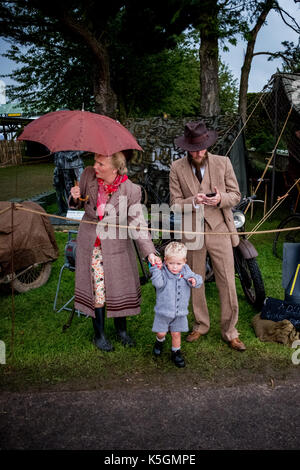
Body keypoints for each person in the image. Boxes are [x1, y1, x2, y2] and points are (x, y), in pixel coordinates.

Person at [69, 151, 160, 352]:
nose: (95, 166)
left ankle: (122, 332)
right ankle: (99, 335)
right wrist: (75, 197)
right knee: (98, 290)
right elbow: (79, 201)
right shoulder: (86, 176)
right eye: (95, 161)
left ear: (115, 168)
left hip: (117, 246)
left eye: (101, 164)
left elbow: (137, 223)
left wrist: (150, 253)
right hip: (92, 244)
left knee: (119, 286)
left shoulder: (131, 190)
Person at [169, 120, 246, 351]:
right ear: (186, 148)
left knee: (227, 281)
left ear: (207, 144)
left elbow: (236, 195)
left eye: (201, 148)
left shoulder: (223, 163)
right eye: (193, 149)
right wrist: (193, 201)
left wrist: (220, 199)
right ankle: (200, 324)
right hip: (192, 232)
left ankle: (230, 331)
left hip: (220, 228)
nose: (198, 153)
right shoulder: (176, 167)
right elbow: (173, 205)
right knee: (194, 280)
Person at [150, 241, 203, 367]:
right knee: (161, 332)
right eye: (171, 263)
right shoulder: (162, 271)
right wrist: (155, 269)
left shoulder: (186, 271)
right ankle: (159, 341)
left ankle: (176, 352)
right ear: (165, 260)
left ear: (184, 261)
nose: (174, 267)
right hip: (163, 312)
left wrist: (194, 280)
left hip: (180, 313)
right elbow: (158, 284)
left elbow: (198, 279)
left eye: (178, 264)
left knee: (176, 333)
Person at [53, 150, 85, 215]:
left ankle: (85, 207)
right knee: (66, 187)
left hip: (76, 163)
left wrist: (73, 155)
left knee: (83, 186)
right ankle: (69, 209)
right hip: (62, 164)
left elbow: (84, 147)